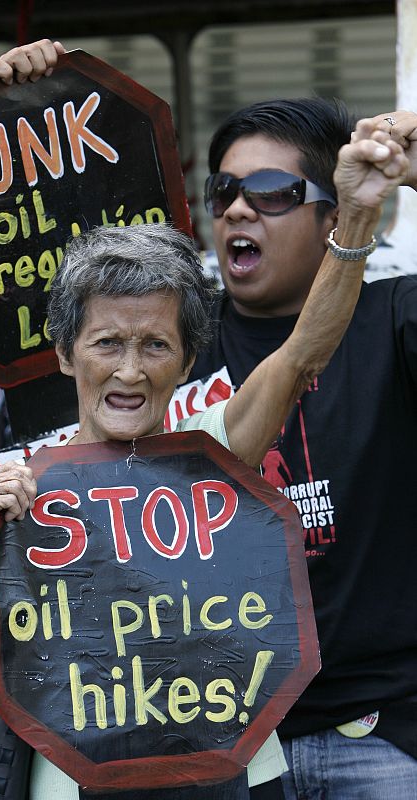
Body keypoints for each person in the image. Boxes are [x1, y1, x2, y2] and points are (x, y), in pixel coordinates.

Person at [0, 102, 406, 799]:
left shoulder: (218, 451)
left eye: (155, 345)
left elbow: (301, 353)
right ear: (66, 353)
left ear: (187, 357)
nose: (130, 370)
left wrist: (357, 223)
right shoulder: (15, 492)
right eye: (108, 343)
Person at [186, 99, 417, 799]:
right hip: (224, 750)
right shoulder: (169, 347)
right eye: (223, 192)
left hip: (381, 738)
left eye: (273, 194)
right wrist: (18, 106)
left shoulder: (395, 320)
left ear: (335, 216)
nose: (235, 212)